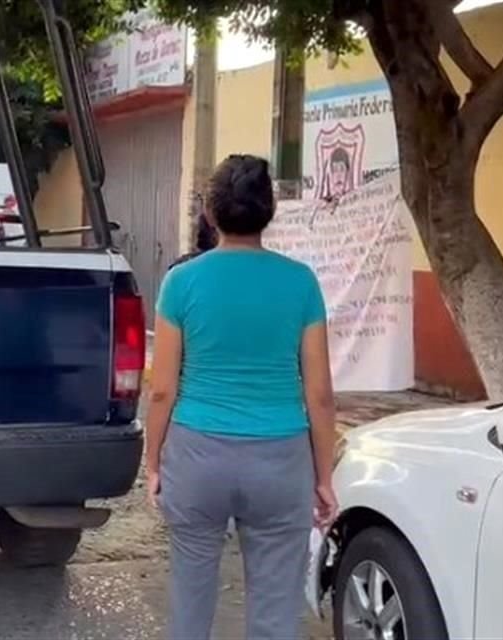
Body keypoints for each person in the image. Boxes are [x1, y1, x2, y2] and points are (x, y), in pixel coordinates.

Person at [145, 154, 338, 640]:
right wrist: (324, 476)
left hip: (196, 456)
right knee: (275, 615)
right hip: (280, 461)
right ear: (268, 212)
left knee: (190, 604)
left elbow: (163, 388)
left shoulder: (181, 282)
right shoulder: (300, 282)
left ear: (211, 214)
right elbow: (319, 394)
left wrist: (152, 464)